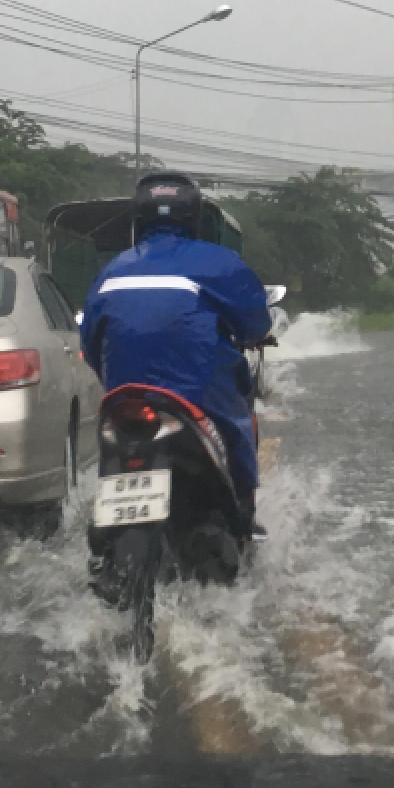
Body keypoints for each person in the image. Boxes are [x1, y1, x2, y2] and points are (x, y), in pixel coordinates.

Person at [79, 172, 272, 529]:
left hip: (125, 395)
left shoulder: (111, 270)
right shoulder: (220, 262)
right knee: (238, 423)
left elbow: (89, 343)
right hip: (199, 395)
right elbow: (256, 325)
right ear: (194, 217)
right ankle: (244, 516)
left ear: (139, 219)